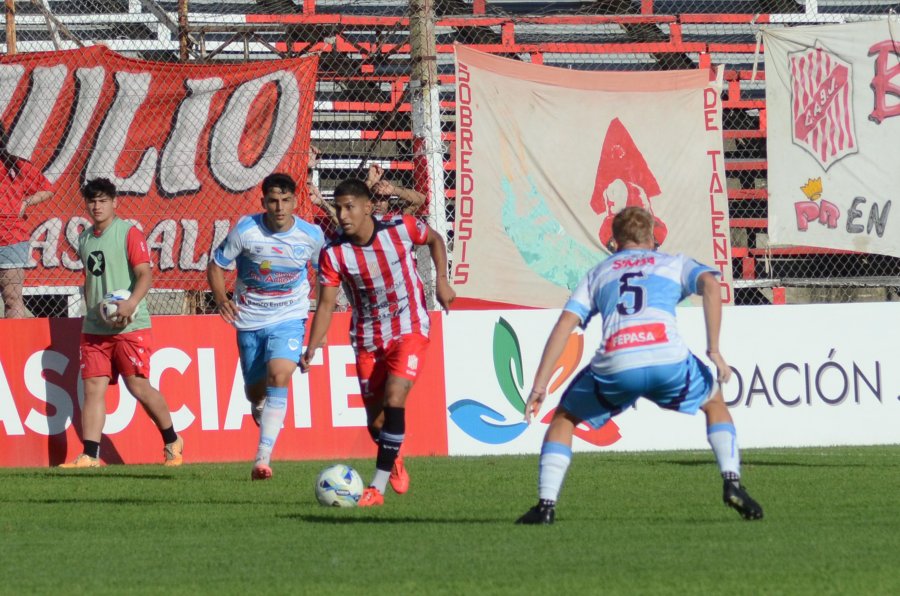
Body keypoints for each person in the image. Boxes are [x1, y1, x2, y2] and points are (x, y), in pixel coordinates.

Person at [516, 206, 763, 524]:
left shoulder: (598, 273)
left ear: (614, 241)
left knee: (565, 418)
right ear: (652, 237)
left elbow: (566, 323)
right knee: (714, 403)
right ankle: (732, 482)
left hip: (617, 362)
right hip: (667, 359)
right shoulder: (674, 263)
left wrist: (540, 386)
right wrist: (713, 350)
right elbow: (712, 286)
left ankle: (546, 507)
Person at [300, 178, 455, 507]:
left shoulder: (400, 229)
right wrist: (312, 345)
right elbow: (326, 304)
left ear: (368, 207)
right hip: (367, 338)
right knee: (376, 423)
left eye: (349, 207)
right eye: (338, 208)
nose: (342, 215)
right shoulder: (334, 253)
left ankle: (376, 488)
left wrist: (442, 281)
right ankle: (394, 459)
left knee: (395, 397)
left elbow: (435, 239)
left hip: (409, 326)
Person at [207, 172, 324, 480]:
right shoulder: (246, 230)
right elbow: (216, 265)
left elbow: (327, 279)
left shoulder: (311, 235)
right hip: (249, 319)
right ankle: (258, 403)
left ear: (296, 201)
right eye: (273, 201)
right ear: (263, 202)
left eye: (286, 200)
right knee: (254, 390)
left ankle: (263, 457)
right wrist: (220, 298)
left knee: (280, 374)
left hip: (289, 316)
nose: (279, 207)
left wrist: (321, 328)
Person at [60, 178, 183, 468]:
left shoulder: (129, 233)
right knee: (92, 389)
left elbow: (145, 275)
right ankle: (90, 455)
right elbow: (92, 280)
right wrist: (95, 310)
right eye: (92, 201)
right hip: (95, 327)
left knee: (138, 387)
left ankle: (172, 441)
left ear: (115, 202)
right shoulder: (84, 239)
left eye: (103, 200)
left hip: (130, 325)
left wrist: (131, 303)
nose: (97, 206)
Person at [0, 125, 53, 318]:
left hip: (10, 239)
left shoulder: (14, 165)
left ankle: (13, 337)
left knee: (12, 299)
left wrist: (26, 202)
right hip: (11, 238)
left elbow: (47, 189)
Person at [310, 162, 427, 230]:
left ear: (389, 201)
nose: (378, 203)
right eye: (374, 199)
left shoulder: (395, 217)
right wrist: (370, 182)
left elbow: (421, 200)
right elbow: (341, 216)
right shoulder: (361, 218)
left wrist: (394, 190)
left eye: (383, 199)